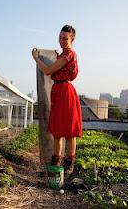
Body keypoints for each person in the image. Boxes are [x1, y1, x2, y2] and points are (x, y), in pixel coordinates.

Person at [32, 24, 82, 176]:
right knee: (57, 131)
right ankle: (55, 166)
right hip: (58, 92)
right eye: (60, 37)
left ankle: (68, 167)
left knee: (69, 132)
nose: (62, 40)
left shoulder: (69, 55)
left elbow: (47, 71)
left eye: (65, 38)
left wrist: (35, 58)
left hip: (66, 93)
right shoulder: (62, 55)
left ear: (72, 39)